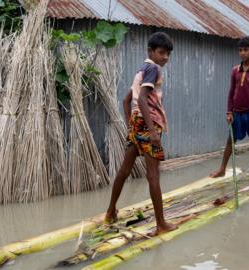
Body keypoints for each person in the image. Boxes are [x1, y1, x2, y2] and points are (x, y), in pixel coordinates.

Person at [104, 32, 177, 235]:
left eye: (168, 54)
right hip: (149, 123)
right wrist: (153, 131)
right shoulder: (153, 69)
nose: (165, 58)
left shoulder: (141, 70)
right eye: (161, 52)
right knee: (153, 175)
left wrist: (131, 125)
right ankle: (161, 224)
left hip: (137, 124)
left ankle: (110, 212)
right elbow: (143, 99)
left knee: (124, 171)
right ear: (150, 51)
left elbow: (127, 100)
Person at [210, 36, 249, 185]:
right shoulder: (235, 71)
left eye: (246, 50)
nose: (243, 53)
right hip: (237, 113)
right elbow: (231, 92)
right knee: (230, 141)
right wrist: (229, 111)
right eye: (240, 50)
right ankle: (222, 169)